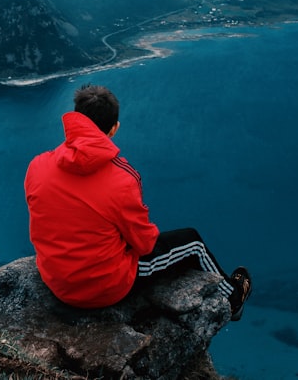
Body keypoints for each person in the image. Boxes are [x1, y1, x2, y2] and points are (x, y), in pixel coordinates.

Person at [24, 83, 251, 320]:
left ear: (75, 121)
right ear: (113, 129)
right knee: (192, 242)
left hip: (54, 278)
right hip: (103, 288)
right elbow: (145, 244)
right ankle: (233, 300)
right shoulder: (121, 178)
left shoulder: (37, 166)